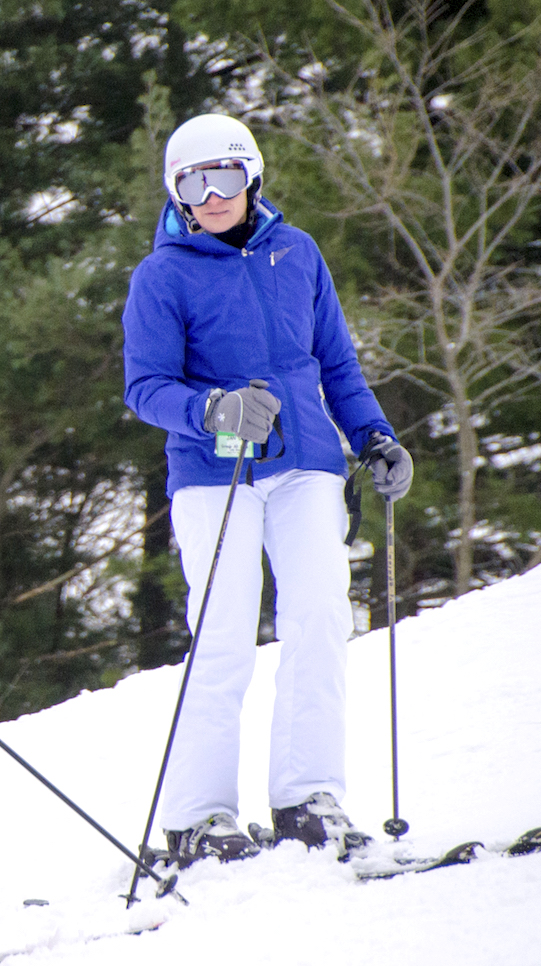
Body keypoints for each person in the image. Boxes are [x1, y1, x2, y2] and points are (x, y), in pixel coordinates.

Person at [121, 114, 414, 869]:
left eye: (224, 176)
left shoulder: (298, 252)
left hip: (308, 462)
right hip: (215, 473)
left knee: (320, 617)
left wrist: (375, 436)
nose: (212, 195)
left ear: (252, 177)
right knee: (223, 634)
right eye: (193, 182)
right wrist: (210, 409)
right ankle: (197, 817)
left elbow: (337, 365)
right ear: (176, 193)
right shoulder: (163, 274)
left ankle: (306, 797)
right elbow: (144, 387)